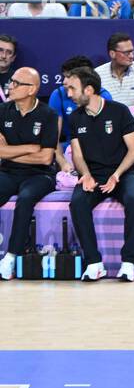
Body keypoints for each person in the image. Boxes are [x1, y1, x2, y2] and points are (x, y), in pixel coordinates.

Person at [64, 67, 134, 283]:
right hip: (94, 174)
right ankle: (93, 263)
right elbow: (77, 154)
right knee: (78, 203)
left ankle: (128, 263)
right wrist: (86, 175)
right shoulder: (75, 118)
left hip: (124, 172)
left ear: (89, 89)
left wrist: (116, 175)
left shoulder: (119, 111)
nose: (68, 94)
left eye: (72, 88)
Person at [0, 65, 56, 281]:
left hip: (39, 174)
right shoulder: (2, 111)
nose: (10, 86)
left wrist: (9, 152)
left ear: (31, 89)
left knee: (25, 199)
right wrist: (30, 147)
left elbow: (45, 158)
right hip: (9, 171)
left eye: (16, 83)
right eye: (10, 81)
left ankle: (11, 257)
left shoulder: (48, 114)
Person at [95, 32, 134, 151]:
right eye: (126, 52)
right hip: (108, 127)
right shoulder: (98, 74)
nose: (132, 56)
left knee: (125, 141)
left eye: (133, 51)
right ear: (112, 54)